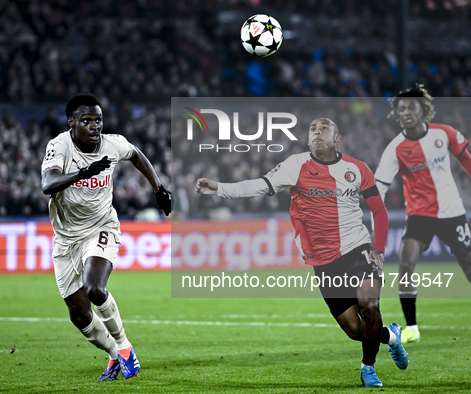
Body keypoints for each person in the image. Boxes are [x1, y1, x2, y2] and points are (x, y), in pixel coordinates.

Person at [196, 117, 408, 387]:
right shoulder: (295, 166)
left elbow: (379, 210)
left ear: (337, 138)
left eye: (324, 128)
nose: (317, 132)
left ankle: (368, 368)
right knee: (356, 330)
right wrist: (220, 189)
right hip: (324, 261)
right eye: (312, 129)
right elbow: (257, 185)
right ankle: (390, 336)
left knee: (369, 305)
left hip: (358, 249)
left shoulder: (357, 169)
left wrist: (378, 249)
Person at [41, 93, 173, 381]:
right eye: (86, 120)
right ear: (72, 123)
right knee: (78, 314)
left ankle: (125, 348)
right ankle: (114, 355)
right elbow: (47, 184)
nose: (94, 126)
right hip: (65, 238)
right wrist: (82, 172)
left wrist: (158, 188)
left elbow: (136, 154)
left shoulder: (113, 144)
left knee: (95, 288)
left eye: (98, 120)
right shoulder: (59, 146)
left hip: (102, 226)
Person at [375, 84, 471, 343]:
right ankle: (412, 327)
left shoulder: (444, 133)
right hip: (419, 216)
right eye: (401, 108)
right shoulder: (395, 148)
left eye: (411, 107)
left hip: (452, 212)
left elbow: (467, 160)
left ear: (422, 110)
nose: (406, 112)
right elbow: (379, 187)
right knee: (405, 264)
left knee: (469, 267)